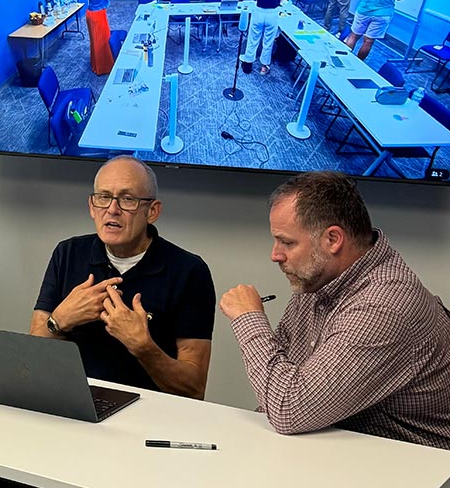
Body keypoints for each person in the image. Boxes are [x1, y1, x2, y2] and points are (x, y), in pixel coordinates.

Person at [220, 171, 450, 450]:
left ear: (332, 239)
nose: (275, 255)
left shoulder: (385, 305)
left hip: (414, 463)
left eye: (287, 242)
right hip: (340, 443)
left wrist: (249, 319)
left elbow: (288, 408)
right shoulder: (318, 278)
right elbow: (282, 375)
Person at [31, 156, 216, 396]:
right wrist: (60, 320)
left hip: (150, 414)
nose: (112, 210)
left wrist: (143, 347)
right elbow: (34, 354)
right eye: (104, 197)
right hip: (74, 402)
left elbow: (194, 387)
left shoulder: (189, 270)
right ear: (91, 206)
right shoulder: (67, 253)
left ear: (152, 211)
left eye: (127, 199)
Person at [240, 0, 285, 75]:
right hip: (272, 15)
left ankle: (247, 64)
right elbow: (281, 0)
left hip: (259, 13)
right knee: (268, 41)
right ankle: (264, 67)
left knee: (253, 39)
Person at [85, 0, 115, 75]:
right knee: (103, 41)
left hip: (91, 14)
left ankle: (96, 64)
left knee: (95, 41)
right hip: (98, 16)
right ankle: (103, 67)